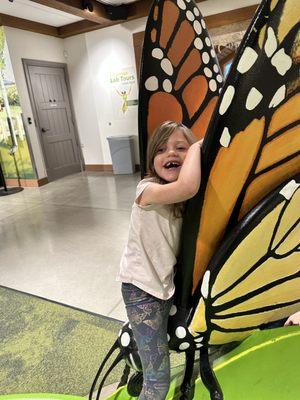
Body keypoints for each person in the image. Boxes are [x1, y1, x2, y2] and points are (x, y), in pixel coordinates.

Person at [117, 121, 202, 400]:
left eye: (181, 148)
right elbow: (189, 185)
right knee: (157, 385)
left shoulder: (181, 204)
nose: (171, 154)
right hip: (142, 290)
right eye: (162, 149)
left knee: (159, 353)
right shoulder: (147, 190)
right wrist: (200, 146)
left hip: (163, 288)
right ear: (152, 159)